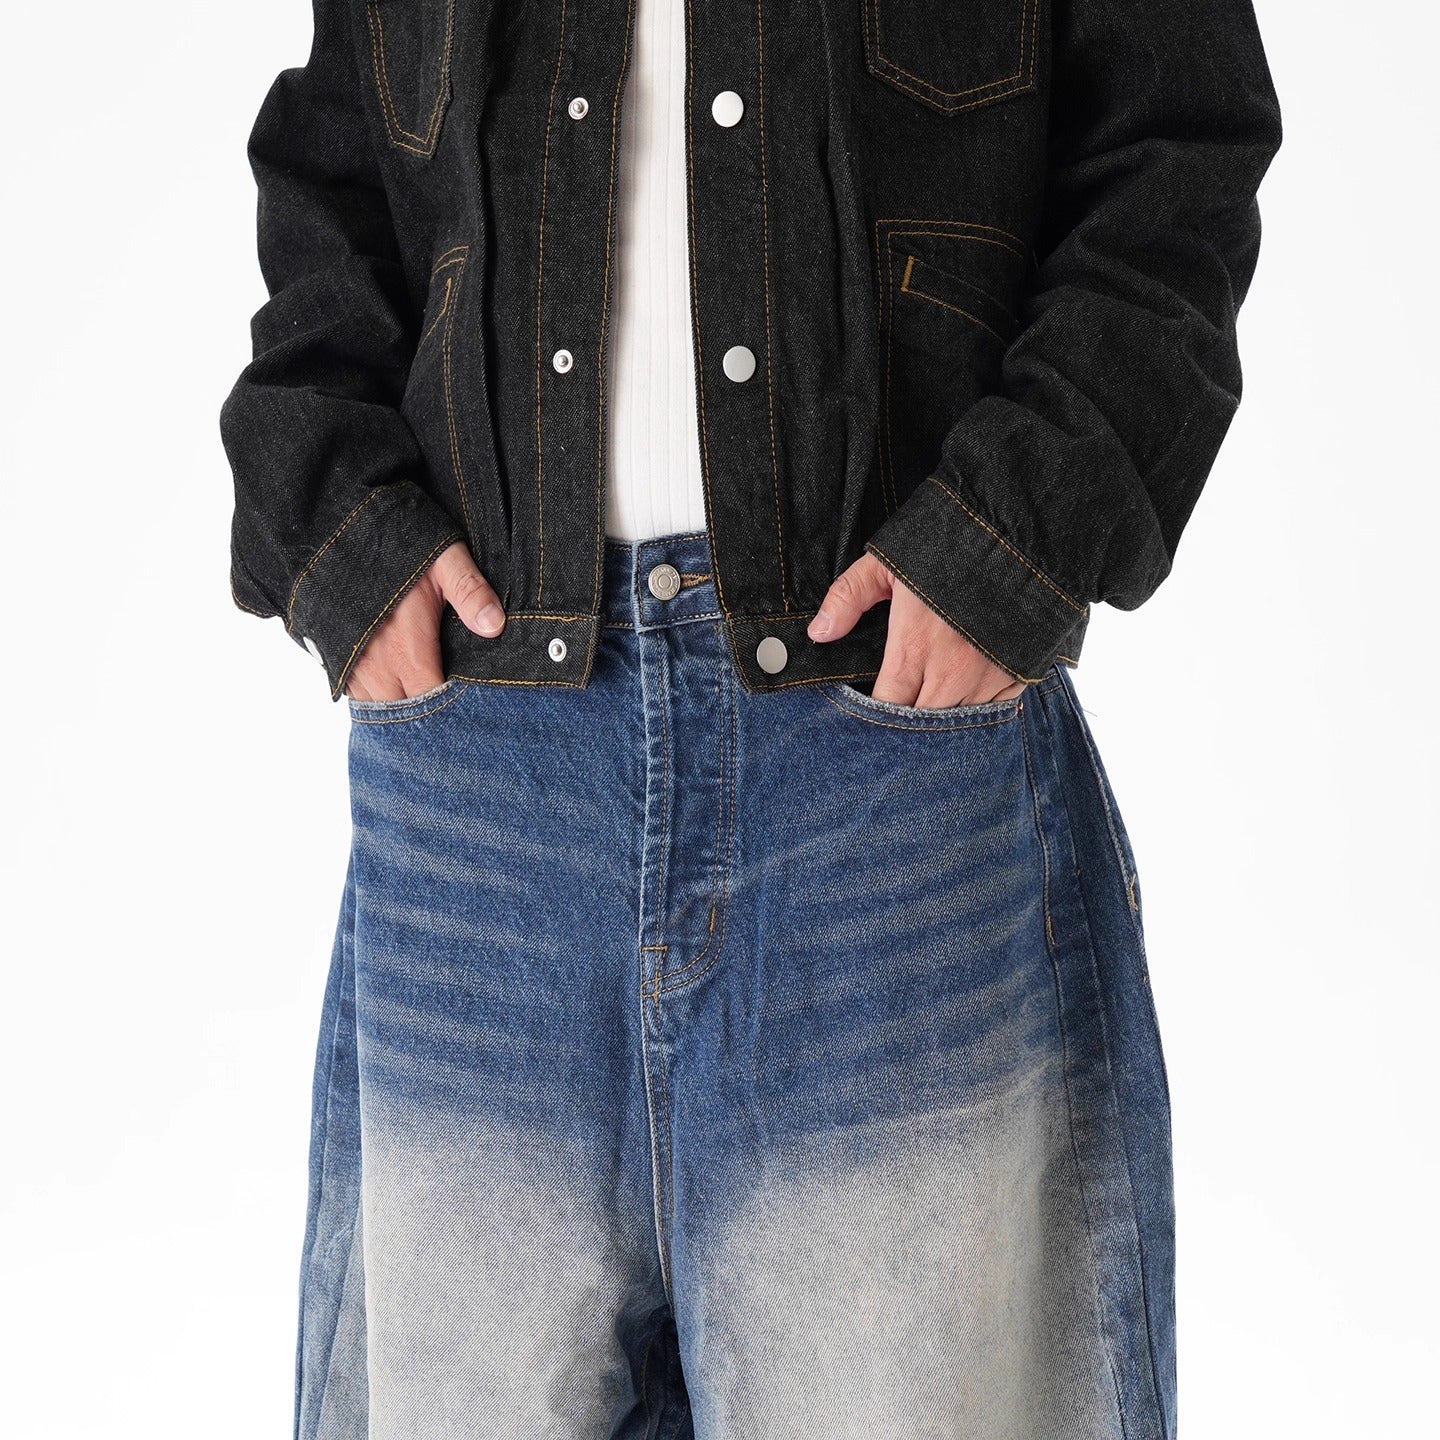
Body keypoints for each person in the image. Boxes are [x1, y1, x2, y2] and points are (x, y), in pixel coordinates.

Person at [220, 0, 1280, 1434]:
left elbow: (1175, 146)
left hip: (886, 780)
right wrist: (338, 521)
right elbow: (335, 160)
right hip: (480, 787)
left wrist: (1015, 534)